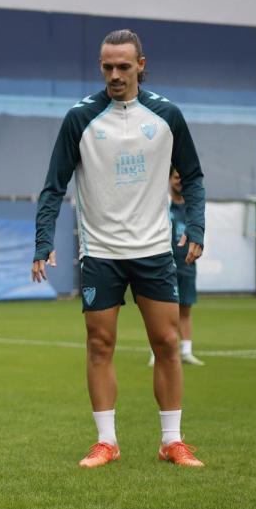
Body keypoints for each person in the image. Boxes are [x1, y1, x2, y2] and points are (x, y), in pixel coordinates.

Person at [32, 29, 206, 468]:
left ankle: (172, 441)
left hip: (152, 248)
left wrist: (197, 227)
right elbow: (54, 186)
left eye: (123, 66)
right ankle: (106, 441)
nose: (114, 74)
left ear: (141, 65)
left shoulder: (167, 115)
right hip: (101, 251)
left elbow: (194, 176)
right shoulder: (80, 118)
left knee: (167, 342)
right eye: (107, 66)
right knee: (99, 344)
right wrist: (44, 240)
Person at [149, 169, 205, 366]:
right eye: (175, 177)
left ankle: (187, 351)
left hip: (187, 266)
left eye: (182, 177)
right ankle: (156, 352)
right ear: (169, 179)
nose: (179, 181)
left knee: (186, 309)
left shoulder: (192, 209)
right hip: (164, 267)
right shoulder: (163, 205)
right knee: (160, 311)